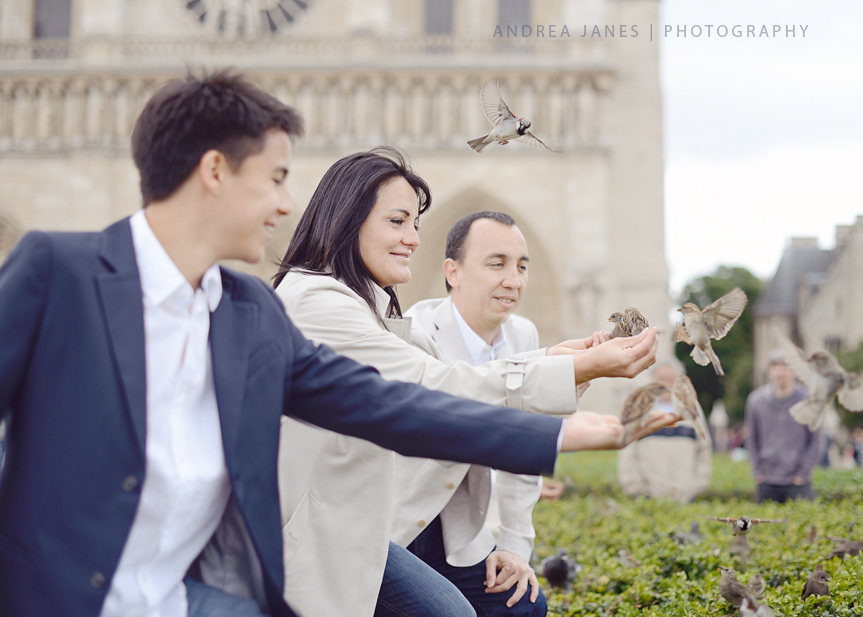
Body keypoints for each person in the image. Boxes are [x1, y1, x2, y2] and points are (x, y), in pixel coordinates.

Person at [0, 71, 670, 617]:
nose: (287, 203)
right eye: (274, 178)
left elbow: (392, 403)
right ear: (213, 171)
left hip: (195, 595)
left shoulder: (252, 310)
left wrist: (575, 433)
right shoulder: (57, 271)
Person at [272, 149, 675, 617]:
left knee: (509, 607)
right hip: (323, 530)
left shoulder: (371, 305)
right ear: (347, 220)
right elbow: (431, 386)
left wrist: (558, 358)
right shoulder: (321, 303)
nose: (413, 239)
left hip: (368, 525)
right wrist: (573, 383)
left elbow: (443, 373)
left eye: (415, 224)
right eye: (397, 221)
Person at [393, 211, 580, 616]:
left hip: (460, 534)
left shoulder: (523, 334)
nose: (513, 280)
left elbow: (522, 451)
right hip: (398, 528)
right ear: (452, 272)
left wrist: (515, 546)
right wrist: (564, 370)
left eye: (522, 266)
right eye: (497, 264)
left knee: (524, 607)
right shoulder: (413, 332)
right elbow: (457, 409)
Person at [617, 357, 712, 502]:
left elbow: (704, 448)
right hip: (648, 498)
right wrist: (638, 489)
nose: (666, 385)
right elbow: (627, 450)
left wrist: (696, 486)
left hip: (685, 498)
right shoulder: (639, 410)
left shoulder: (692, 409)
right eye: (661, 379)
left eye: (671, 379)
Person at [745, 348, 822, 503]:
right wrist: (758, 472)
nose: (780, 373)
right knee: (764, 525)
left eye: (786, 368)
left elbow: (816, 441)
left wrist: (802, 474)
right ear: (769, 371)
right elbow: (751, 439)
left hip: (798, 482)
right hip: (766, 481)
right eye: (775, 367)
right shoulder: (756, 401)